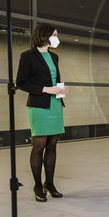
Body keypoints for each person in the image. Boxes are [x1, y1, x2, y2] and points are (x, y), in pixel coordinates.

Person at [16, 24, 67, 202]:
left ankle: (50, 184)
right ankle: (38, 186)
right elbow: (21, 83)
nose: (57, 38)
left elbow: (54, 79)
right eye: (54, 34)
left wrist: (60, 89)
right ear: (44, 35)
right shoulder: (28, 56)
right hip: (39, 106)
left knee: (52, 145)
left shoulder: (54, 56)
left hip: (55, 105)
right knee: (39, 146)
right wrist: (46, 89)